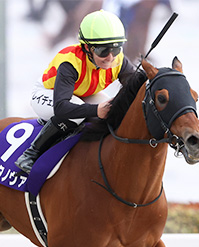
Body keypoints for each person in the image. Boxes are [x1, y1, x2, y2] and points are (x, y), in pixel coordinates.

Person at [15, 9, 136, 175]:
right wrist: (95, 110)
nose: (110, 57)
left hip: (82, 93)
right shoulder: (70, 63)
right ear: (87, 47)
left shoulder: (119, 59)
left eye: (115, 49)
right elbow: (61, 107)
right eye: (103, 51)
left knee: (114, 110)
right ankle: (30, 154)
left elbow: (137, 85)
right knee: (77, 114)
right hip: (49, 93)